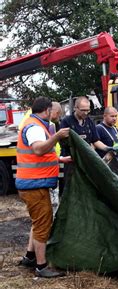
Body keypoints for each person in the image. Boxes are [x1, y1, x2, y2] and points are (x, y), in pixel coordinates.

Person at [16, 96, 70, 278]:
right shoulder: (35, 128)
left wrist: (60, 159)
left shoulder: (35, 124)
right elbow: (39, 149)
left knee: (38, 221)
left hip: (34, 183)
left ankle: (30, 257)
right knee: (43, 224)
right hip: (34, 184)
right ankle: (41, 266)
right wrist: (57, 136)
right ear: (47, 110)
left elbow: (40, 156)